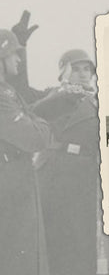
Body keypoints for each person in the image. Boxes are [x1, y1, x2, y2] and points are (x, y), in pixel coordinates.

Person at [31, 49, 105, 275]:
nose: (84, 74)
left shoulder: (97, 102)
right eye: (76, 68)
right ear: (64, 71)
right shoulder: (54, 95)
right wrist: (63, 94)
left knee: (82, 242)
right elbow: (31, 105)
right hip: (53, 175)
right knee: (55, 242)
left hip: (84, 177)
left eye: (87, 69)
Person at [0, 28, 51, 274]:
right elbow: (35, 139)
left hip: (13, 180)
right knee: (18, 256)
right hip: (9, 185)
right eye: (14, 54)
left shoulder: (6, 91)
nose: (18, 59)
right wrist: (40, 123)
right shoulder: (1, 96)